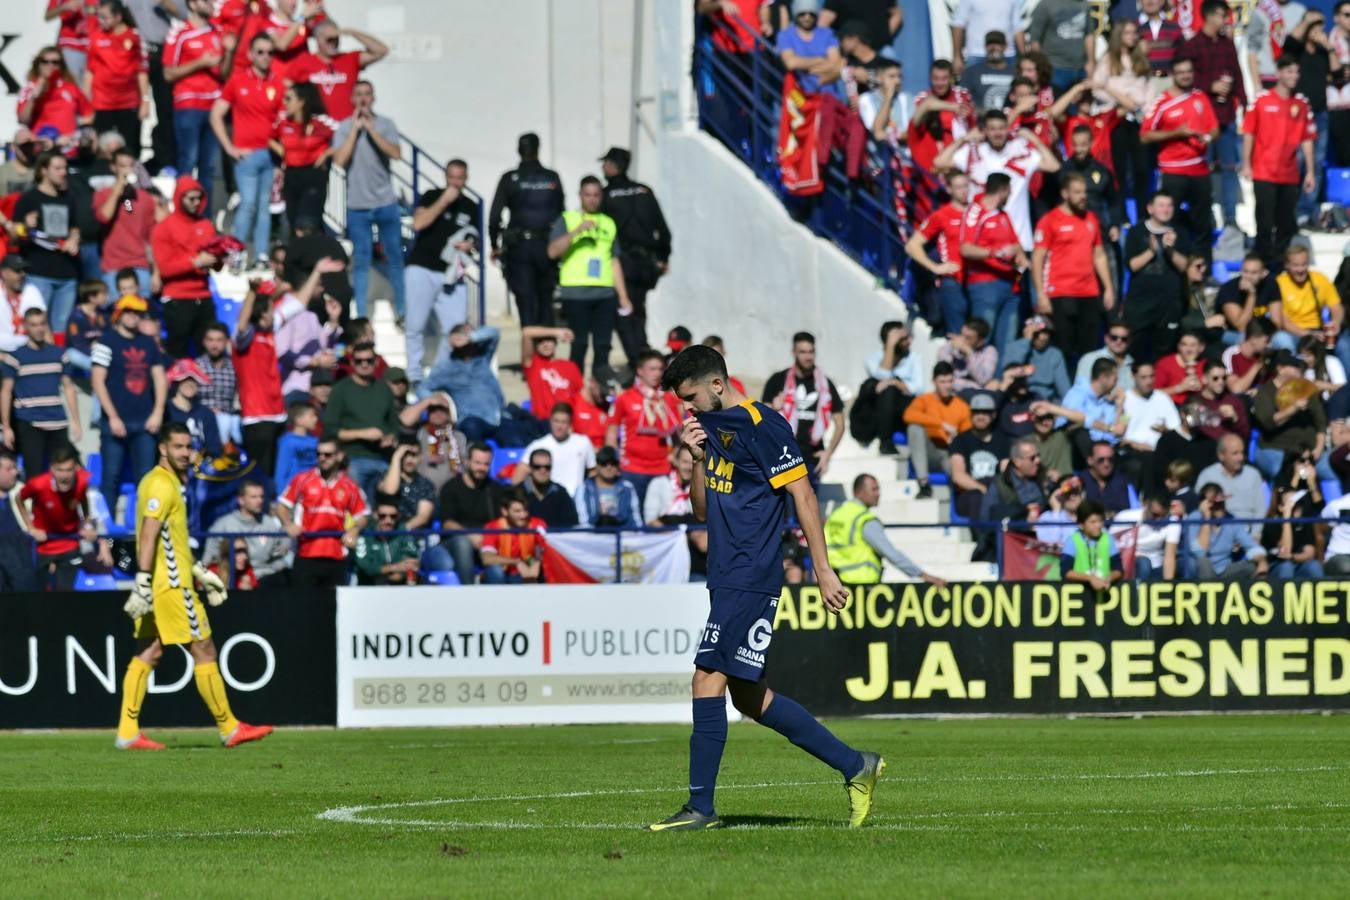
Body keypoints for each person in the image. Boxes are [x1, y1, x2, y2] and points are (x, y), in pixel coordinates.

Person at [647, 344, 884, 832]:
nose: (687, 408)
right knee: (749, 699)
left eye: (691, 396)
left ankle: (700, 808)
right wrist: (695, 459)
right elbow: (700, 511)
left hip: (751, 574)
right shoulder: (711, 431)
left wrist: (822, 568)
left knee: (705, 678)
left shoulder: (764, 425)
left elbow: (802, 494)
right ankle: (856, 765)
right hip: (725, 573)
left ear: (717, 385)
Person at [114, 423, 272, 750]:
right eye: (179, 447)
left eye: (189, 447)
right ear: (163, 448)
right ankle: (229, 727)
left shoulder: (163, 482)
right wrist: (143, 580)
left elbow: (172, 541)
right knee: (204, 648)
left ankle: (127, 732)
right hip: (170, 586)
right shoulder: (162, 485)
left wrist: (200, 571)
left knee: (149, 651)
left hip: (167, 580)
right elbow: (148, 534)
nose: (186, 454)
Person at [936, 108, 1061, 258]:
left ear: (1008, 129)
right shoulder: (973, 152)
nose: (998, 133)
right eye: (993, 129)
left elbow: (1054, 166)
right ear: (985, 131)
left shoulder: (1020, 152)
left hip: (1020, 241)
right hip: (984, 243)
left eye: (1002, 128)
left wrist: (1035, 141)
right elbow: (939, 162)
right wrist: (964, 139)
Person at [547, 176, 634, 379]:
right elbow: (552, 252)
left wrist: (623, 295)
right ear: (580, 196)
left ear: (601, 196)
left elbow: (614, 261)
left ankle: (601, 389)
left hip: (604, 293)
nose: (592, 199)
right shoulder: (567, 219)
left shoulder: (608, 223)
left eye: (596, 195)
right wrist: (577, 231)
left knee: (603, 345)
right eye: (588, 195)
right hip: (575, 294)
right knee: (579, 344)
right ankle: (575, 388)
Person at [210, 32, 285, 269]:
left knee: (265, 207)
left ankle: (261, 255)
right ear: (251, 55)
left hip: (270, 155)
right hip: (247, 155)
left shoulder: (278, 83)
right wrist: (229, 146)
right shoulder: (238, 80)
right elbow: (216, 114)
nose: (265, 57)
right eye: (260, 52)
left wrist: (283, 161)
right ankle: (236, 253)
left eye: (270, 52)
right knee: (248, 204)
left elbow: (284, 123)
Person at [331, 81, 405, 319]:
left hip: (385, 202)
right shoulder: (343, 127)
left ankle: (401, 310)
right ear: (352, 99)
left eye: (367, 94)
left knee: (395, 257)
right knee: (361, 260)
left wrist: (372, 130)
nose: (363, 99)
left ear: (373, 98)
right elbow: (339, 161)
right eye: (359, 95)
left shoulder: (385, 124)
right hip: (357, 206)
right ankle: (362, 312)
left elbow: (396, 153)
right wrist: (355, 130)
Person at [405, 158, 479, 387]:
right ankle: (414, 375)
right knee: (415, 325)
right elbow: (418, 224)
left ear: (466, 179)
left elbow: (475, 240)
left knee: (455, 328)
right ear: (445, 177)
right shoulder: (430, 195)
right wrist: (443, 201)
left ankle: (443, 374)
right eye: (451, 177)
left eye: (460, 178)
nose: (455, 183)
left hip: (452, 274)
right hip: (422, 268)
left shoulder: (471, 206)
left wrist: (470, 245)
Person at [1173, 0, 1246, 234]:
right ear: (1208, 16)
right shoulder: (1192, 45)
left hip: (1226, 117)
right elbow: (1183, 79)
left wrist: (1244, 102)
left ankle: (1231, 218)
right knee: (1202, 170)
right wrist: (1209, 86)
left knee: (1229, 168)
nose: (1226, 20)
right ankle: (1206, 216)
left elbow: (1237, 73)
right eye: (1222, 15)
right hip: (1202, 119)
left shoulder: (1227, 44)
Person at [1031, 172, 1114, 365]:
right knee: (1064, 348)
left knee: (1089, 350)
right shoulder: (1050, 220)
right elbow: (1038, 258)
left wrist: (1108, 288)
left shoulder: (1091, 218)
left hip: (1089, 292)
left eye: (1084, 192)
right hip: (1060, 292)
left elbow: (1099, 254)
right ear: (1065, 193)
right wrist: (1041, 294)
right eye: (1077, 192)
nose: (1083, 196)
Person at [91, 295, 165, 511]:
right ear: (119, 313)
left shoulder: (149, 342)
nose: (133, 316)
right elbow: (97, 381)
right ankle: (107, 539)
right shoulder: (106, 341)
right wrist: (113, 417)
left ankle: (144, 535)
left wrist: (158, 413)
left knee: (147, 480)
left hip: (145, 423)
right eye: (129, 311)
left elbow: (160, 379)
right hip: (113, 424)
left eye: (138, 313)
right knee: (110, 479)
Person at [1140, 58, 1219, 258]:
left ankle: (1203, 272)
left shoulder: (1200, 97)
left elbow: (1214, 127)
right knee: (1169, 222)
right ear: (1173, 75)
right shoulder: (1162, 102)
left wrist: (1207, 137)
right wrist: (1176, 133)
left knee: (1203, 223)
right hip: (1173, 171)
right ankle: (1172, 267)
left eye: (1189, 71)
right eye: (1181, 72)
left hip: (1200, 170)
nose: (1185, 75)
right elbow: (1145, 135)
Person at [1243, 56, 1318, 267]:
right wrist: (1246, 164)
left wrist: (1310, 171)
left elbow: (1308, 140)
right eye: (1289, 72)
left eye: (1296, 72)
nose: (1294, 76)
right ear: (1278, 74)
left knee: (1286, 224)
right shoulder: (1262, 101)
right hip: (1264, 171)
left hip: (1289, 174)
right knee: (1265, 223)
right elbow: (1249, 133)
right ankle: (1262, 264)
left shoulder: (1301, 103)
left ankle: (1279, 264)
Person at [600, 146, 671, 366]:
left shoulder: (605, 195)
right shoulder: (644, 191)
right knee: (639, 311)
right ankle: (644, 356)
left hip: (624, 263)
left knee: (624, 313)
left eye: (606, 163)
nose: (603, 167)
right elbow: (663, 230)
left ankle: (639, 361)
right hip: (648, 264)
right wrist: (663, 258)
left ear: (613, 167)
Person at [488, 133, 565, 329]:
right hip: (546, 247)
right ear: (538, 149)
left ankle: (530, 352)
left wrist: (494, 244)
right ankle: (545, 353)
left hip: (519, 248)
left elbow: (495, 216)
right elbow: (561, 215)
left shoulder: (509, 179)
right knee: (545, 299)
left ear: (518, 150)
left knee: (526, 302)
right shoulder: (551, 177)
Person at [275, 436, 369, 587]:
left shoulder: (350, 485)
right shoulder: (302, 479)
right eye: (319, 454)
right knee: (303, 605)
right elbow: (281, 506)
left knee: (331, 608)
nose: (322, 458)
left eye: (328, 454)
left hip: (337, 555)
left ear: (339, 456)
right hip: (306, 553)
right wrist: (288, 524)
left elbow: (362, 515)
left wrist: (355, 530)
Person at [824, 473, 946, 586]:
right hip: (863, 585)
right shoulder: (864, 519)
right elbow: (891, 554)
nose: (878, 494)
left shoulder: (835, 516)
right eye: (874, 489)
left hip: (836, 585)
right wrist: (923, 575)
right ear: (859, 492)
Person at [957, 172, 1027, 363]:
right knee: (982, 338)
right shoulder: (976, 211)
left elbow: (1017, 246)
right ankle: (978, 383)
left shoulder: (1004, 216)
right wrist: (995, 253)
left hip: (1011, 287)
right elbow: (965, 248)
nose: (1009, 197)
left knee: (1008, 342)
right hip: (985, 284)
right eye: (1009, 193)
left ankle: (999, 384)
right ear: (1003, 190)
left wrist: (1021, 258)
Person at [0, 306, 79, 472]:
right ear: (26, 327)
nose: (39, 329)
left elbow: (69, 388)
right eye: (34, 324)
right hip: (30, 423)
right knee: (34, 475)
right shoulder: (15, 358)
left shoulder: (59, 354)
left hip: (57, 421)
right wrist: (6, 427)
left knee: (63, 471)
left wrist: (76, 422)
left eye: (42, 323)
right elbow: (6, 392)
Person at [153, 176, 224, 359]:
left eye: (199, 198)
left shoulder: (206, 225)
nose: (196, 203)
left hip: (204, 296)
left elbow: (215, 264)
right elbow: (165, 268)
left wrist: (219, 259)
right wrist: (196, 262)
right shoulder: (135, 206)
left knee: (210, 352)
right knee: (177, 351)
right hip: (178, 298)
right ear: (179, 198)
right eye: (191, 198)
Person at [163, 0, 226, 199]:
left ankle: (205, 223)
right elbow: (168, 73)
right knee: (187, 163)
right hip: (189, 105)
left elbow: (224, 72)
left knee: (207, 168)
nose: (211, 4)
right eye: (205, 1)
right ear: (192, 4)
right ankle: (182, 220)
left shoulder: (218, 32)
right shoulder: (180, 33)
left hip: (214, 107)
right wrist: (200, 63)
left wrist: (230, 51)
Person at [13, 152, 82, 334]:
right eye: (58, 168)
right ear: (44, 171)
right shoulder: (28, 199)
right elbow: (14, 235)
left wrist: (74, 238)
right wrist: (25, 227)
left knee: (61, 329)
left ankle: (59, 359)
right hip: (39, 273)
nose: (63, 172)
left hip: (67, 273)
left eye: (65, 168)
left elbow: (75, 226)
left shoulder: (69, 197)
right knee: (38, 328)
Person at [763, 331, 845, 480]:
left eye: (811, 352)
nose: (808, 356)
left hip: (812, 457)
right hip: (783, 454)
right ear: (794, 353)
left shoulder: (825, 384)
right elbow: (760, 419)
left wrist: (828, 453)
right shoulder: (778, 380)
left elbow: (840, 423)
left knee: (810, 503)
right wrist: (773, 408)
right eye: (803, 352)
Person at [232, 280, 292, 480]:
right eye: (268, 311)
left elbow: (295, 306)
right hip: (257, 417)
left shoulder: (269, 334)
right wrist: (251, 292)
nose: (272, 314)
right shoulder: (246, 338)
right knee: (259, 475)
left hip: (277, 415)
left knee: (276, 472)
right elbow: (242, 326)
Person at [325, 340, 398, 504]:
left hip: (383, 458)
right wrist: (363, 434)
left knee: (388, 506)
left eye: (369, 361)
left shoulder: (384, 389)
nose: (364, 365)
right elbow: (330, 430)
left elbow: (394, 425)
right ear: (352, 362)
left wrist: (391, 438)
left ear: (376, 362)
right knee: (354, 507)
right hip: (353, 458)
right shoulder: (340, 390)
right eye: (359, 361)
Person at [18, 444, 96, 591]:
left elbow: (83, 501)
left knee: (65, 592)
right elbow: (19, 498)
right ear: (52, 469)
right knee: (39, 591)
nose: (65, 475)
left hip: (70, 542)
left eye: (69, 470)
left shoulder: (82, 482)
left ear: (76, 469)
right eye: (60, 470)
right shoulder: (38, 485)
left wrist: (86, 525)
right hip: (43, 544)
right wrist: (31, 527)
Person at [1123, 191, 1189, 362]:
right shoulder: (1136, 232)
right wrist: (1151, 251)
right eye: (1161, 205)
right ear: (1150, 208)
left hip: (1168, 304)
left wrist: (1170, 250)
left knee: (1165, 353)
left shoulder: (1180, 232)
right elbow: (1132, 265)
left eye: (1169, 205)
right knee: (1134, 351)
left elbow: (1184, 267)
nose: (1166, 210)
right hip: (1140, 304)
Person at [607, 350, 679, 503]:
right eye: (652, 369)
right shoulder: (625, 398)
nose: (657, 373)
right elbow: (612, 431)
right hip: (632, 469)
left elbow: (677, 433)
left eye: (660, 369)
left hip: (662, 469)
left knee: (659, 519)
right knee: (632, 518)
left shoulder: (668, 399)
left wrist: (675, 455)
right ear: (640, 371)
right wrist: (614, 459)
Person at [905, 170, 970, 337]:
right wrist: (935, 268)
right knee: (956, 335)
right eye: (958, 187)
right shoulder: (941, 215)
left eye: (965, 186)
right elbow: (912, 245)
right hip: (954, 281)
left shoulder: (977, 212)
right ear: (949, 189)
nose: (963, 191)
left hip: (976, 282)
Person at [286, 18, 389, 122]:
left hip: (347, 127)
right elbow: (287, 88)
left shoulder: (350, 59)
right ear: (317, 39)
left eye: (336, 39)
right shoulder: (304, 61)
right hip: (317, 130)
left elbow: (381, 51)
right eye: (329, 39)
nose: (333, 43)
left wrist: (352, 32)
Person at [84, 0, 150, 160]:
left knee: (131, 147)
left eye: (105, 17)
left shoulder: (134, 37)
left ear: (118, 17)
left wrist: (145, 101)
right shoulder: (96, 36)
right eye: (99, 17)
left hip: (128, 102)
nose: (101, 21)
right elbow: (90, 72)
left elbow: (141, 71)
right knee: (100, 146)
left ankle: (133, 181)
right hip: (102, 102)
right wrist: (86, 103)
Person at [421, 324, 508, 443]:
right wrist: (435, 400)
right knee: (472, 429)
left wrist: (472, 337)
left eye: (471, 337)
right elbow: (422, 388)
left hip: (499, 417)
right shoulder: (445, 368)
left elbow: (494, 333)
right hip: (472, 420)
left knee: (517, 435)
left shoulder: (483, 356)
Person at [1270, 244, 1349, 373]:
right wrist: (1309, 334)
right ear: (1286, 265)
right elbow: (1282, 321)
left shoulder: (1319, 279)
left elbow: (1336, 307)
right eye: (1296, 265)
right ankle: (1293, 382)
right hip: (1293, 332)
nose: (1301, 269)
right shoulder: (1278, 283)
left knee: (1344, 345)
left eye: (1304, 264)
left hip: (1318, 331)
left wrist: (1336, 323)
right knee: (1281, 339)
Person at [433, 441, 504, 586]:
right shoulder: (451, 487)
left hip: (487, 544)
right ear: (467, 461)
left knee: (497, 571)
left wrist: (487, 540)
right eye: (477, 463)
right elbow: (448, 524)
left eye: (486, 464)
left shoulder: (496, 489)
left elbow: (501, 523)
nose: (481, 468)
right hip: (455, 541)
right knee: (462, 543)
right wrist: (470, 535)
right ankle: (468, 591)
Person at [270, 82, 335, 232]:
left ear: (301, 102)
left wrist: (327, 153)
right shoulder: (284, 122)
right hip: (292, 174)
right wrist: (284, 153)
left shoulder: (320, 121)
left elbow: (343, 136)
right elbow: (268, 138)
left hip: (314, 173)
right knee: (293, 220)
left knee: (308, 222)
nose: (285, 103)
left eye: (289, 99)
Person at [901, 361, 972, 499]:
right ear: (934, 381)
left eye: (949, 381)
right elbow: (908, 415)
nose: (946, 386)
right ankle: (923, 484)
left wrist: (957, 440)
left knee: (956, 461)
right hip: (929, 451)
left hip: (949, 452)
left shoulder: (961, 405)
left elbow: (968, 434)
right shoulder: (924, 400)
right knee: (914, 428)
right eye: (942, 381)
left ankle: (961, 498)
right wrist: (940, 424)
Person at [1253, 349, 1328, 478]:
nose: (1300, 371)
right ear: (1280, 368)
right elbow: (1268, 422)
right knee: (1283, 472)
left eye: (1300, 367)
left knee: (1331, 468)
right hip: (1277, 448)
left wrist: (1319, 446)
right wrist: (1293, 408)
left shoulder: (1306, 389)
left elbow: (1320, 421)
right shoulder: (1265, 392)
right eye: (1295, 367)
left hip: (1309, 448)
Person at [203, 479, 291, 588]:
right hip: (231, 582)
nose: (260, 501)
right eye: (254, 497)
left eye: (262, 496)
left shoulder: (269, 524)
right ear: (241, 500)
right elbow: (208, 560)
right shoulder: (223, 525)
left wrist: (260, 574)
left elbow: (280, 558)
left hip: (263, 580)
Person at [92, 148, 155, 297]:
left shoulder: (144, 198)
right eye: (122, 166)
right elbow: (104, 217)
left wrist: (156, 272)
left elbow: (151, 236)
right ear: (113, 167)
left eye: (130, 165)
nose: (127, 170)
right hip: (113, 266)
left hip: (140, 265)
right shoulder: (103, 194)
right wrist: (118, 189)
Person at [1185, 481, 1270, 580]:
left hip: (1224, 569)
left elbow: (1251, 546)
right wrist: (1206, 518)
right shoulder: (1195, 517)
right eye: (1214, 504)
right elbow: (1200, 552)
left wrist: (1262, 561)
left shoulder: (1231, 520)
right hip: (1198, 568)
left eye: (1221, 503)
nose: (1220, 509)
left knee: (1252, 567)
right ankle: (1208, 593)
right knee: (1204, 562)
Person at [947, 391, 1008, 519]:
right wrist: (984, 490)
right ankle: (982, 537)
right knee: (977, 497)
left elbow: (1005, 471)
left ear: (993, 415)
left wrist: (993, 492)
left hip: (995, 490)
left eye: (985, 413)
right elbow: (958, 476)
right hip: (969, 495)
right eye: (976, 412)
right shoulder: (960, 440)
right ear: (971, 414)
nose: (980, 416)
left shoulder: (1003, 441)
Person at [907, 58, 976, 173]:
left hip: (957, 158)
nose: (939, 83)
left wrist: (968, 114)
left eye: (944, 79)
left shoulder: (963, 96)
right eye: (935, 79)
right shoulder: (922, 98)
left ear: (951, 79)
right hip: (931, 159)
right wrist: (953, 107)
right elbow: (926, 105)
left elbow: (973, 126)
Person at [1119, 360, 1180, 491]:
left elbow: (1175, 427)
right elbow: (1120, 430)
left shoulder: (1162, 398)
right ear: (1133, 376)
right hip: (1134, 449)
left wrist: (1165, 430)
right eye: (1143, 377)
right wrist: (1135, 444)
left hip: (1160, 448)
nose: (1149, 381)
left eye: (1152, 376)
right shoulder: (1125, 400)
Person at [514, 403, 595, 498]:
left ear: (570, 423)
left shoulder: (583, 443)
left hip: (577, 498)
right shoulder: (537, 445)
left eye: (564, 422)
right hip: (550, 498)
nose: (559, 426)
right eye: (556, 421)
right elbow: (518, 476)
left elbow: (592, 472)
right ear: (550, 421)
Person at [17, 47, 93, 141]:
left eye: (55, 62)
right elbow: (22, 120)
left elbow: (88, 113)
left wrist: (77, 134)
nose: (50, 65)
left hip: (67, 143)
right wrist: (33, 98)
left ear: (61, 66)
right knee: (21, 136)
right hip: (40, 142)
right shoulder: (29, 88)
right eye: (45, 61)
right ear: (38, 64)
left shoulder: (70, 88)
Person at [479, 489, 547, 585]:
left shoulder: (537, 525)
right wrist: (516, 562)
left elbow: (547, 550)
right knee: (495, 571)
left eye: (525, 510)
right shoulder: (493, 527)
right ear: (504, 511)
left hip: (529, 574)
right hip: (504, 575)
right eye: (517, 511)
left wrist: (537, 562)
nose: (523, 515)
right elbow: (487, 558)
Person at [353, 497, 421, 586]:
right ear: (375, 515)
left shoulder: (403, 530)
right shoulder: (365, 533)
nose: (388, 521)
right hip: (370, 588)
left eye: (393, 516)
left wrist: (400, 573)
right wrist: (394, 568)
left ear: (398, 516)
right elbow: (365, 566)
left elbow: (411, 558)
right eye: (383, 516)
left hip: (400, 586)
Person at [1059, 499, 1123, 593]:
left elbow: (1118, 570)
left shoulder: (1108, 539)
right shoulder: (1072, 541)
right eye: (1093, 522)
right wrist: (1090, 578)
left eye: (1100, 521)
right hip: (1077, 594)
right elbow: (1066, 572)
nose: (1098, 525)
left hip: (1103, 591)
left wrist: (1108, 578)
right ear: (1081, 525)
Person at [1001, 315, 1070, 402]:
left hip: (1045, 399)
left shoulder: (1055, 354)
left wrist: (1070, 405)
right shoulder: (1014, 347)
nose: (1043, 337)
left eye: (1046, 333)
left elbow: (1063, 386)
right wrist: (1025, 342)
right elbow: (1010, 370)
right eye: (1037, 333)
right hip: (1019, 397)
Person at [1261, 485, 1324, 579]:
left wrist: (1292, 557)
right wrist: (1287, 519)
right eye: (1290, 503)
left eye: (1297, 502)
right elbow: (1285, 551)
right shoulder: (1272, 523)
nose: (1295, 506)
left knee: (1314, 566)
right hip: (1276, 565)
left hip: (1297, 563)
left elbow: (1309, 554)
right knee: (1286, 567)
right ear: (1281, 507)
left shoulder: (1304, 523)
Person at [520, 325, 582, 421]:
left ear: (555, 343)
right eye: (540, 342)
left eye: (549, 341)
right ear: (535, 346)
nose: (545, 345)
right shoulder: (533, 365)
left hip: (568, 421)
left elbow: (580, 397)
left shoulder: (570, 366)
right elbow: (526, 332)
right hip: (543, 421)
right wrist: (557, 332)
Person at [1116, 493, 1180, 581]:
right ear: (1146, 505)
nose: (1159, 520)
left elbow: (1170, 556)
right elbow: (1113, 546)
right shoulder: (1125, 517)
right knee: (1144, 564)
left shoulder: (1172, 522)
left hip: (1157, 566)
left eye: (1163, 516)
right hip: (1129, 562)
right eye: (1155, 515)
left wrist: (1168, 585)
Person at [949, 1, 1021, 80]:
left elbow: (1017, 27)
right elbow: (958, 25)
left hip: (1007, 55)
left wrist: (1024, 57)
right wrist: (957, 57)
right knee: (974, 89)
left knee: (1010, 89)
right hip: (977, 54)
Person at [575, 445, 642, 528]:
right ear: (597, 465)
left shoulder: (627, 488)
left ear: (618, 466)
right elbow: (584, 522)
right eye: (604, 463)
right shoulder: (584, 488)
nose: (609, 467)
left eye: (613, 463)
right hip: (592, 536)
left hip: (622, 536)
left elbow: (636, 521)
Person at [377, 441, 436, 531]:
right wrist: (396, 457)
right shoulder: (384, 477)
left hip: (413, 534)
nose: (409, 460)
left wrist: (402, 532)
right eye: (405, 455)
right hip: (386, 532)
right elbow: (390, 490)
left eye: (414, 455)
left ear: (420, 457)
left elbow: (423, 517)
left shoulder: (426, 484)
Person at [0, 450, 37, 591]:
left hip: (21, 554)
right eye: (9, 469)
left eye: (15, 468)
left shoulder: (24, 492)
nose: (15, 473)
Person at [520, 448, 579, 527]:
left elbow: (572, 524)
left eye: (547, 467)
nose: (543, 471)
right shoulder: (517, 492)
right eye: (537, 467)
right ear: (530, 468)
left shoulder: (561, 493)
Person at [961, 31, 1016, 113]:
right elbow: (962, 100)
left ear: (1005, 46)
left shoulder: (1016, 72)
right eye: (990, 44)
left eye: (998, 44)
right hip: (981, 121)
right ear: (985, 47)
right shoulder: (971, 72)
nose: (993, 47)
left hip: (1011, 120)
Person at [1196, 361, 1252, 442]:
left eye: (1224, 378)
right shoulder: (1195, 401)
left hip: (1227, 450)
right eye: (1215, 378)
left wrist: (1235, 418)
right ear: (1204, 379)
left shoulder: (1234, 401)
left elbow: (1245, 435)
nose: (1221, 382)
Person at [1076, 441, 1132, 514]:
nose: (1106, 464)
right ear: (1090, 461)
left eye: (1110, 460)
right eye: (1101, 460)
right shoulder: (1079, 481)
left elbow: (1125, 512)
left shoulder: (1120, 480)